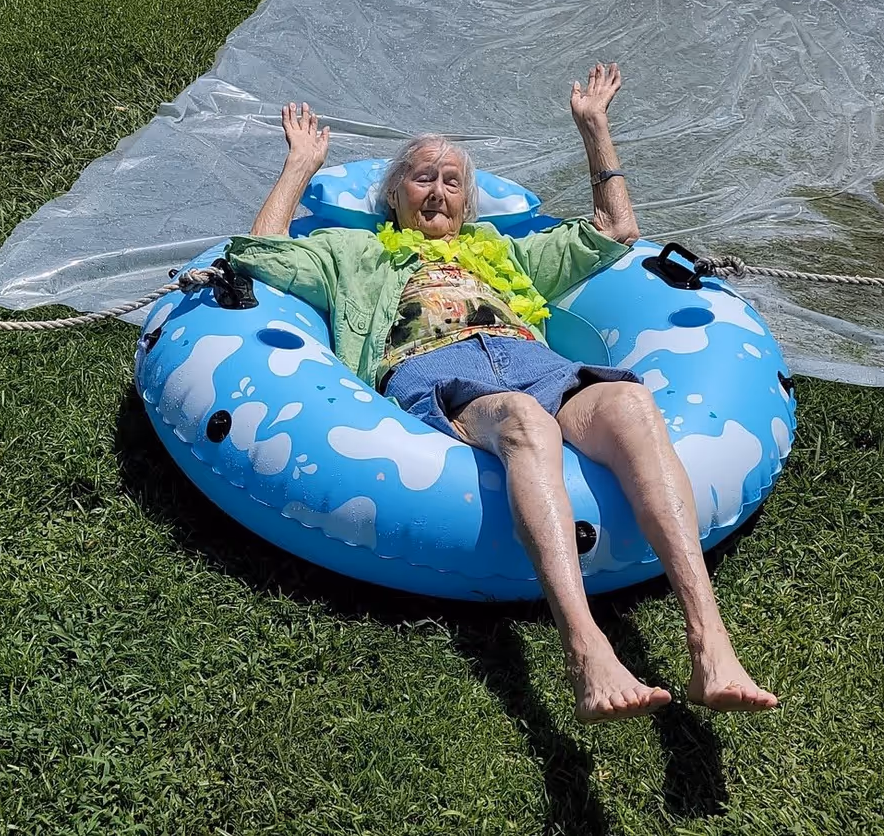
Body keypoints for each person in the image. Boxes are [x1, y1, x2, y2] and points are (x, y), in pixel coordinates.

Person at [228, 62, 778, 723]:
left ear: (469, 201)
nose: (437, 190)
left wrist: (594, 128)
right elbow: (260, 255)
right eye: (421, 176)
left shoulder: (502, 253)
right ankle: (583, 647)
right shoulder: (353, 251)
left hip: (534, 361)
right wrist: (300, 166)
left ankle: (708, 640)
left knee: (631, 403)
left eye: (452, 181)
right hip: (433, 366)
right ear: (395, 195)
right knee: (521, 420)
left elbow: (616, 229)